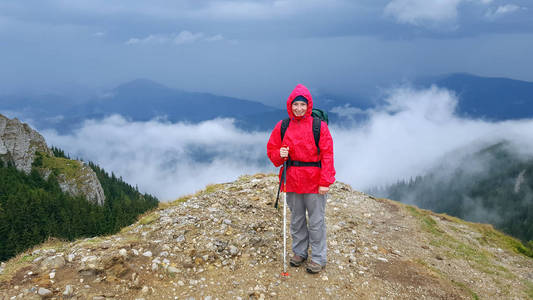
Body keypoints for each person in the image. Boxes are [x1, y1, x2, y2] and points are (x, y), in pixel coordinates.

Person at [266, 84, 336, 274]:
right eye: (295, 104)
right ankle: (299, 253)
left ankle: (318, 258)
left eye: (302, 105)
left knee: (316, 221)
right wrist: (280, 154)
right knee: (297, 220)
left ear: (309, 106)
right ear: (290, 105)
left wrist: (325, 182)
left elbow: (327, 155)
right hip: (292, 180)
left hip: (314, 182)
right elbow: (273, 153)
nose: (299, 108)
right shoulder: (283, 126)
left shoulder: (318, 126)